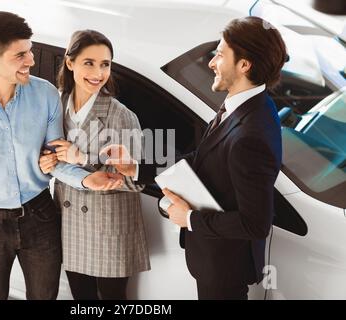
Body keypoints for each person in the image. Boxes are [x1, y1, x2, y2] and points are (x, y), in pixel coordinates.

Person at [0, 12, 123, 300]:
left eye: (30, 50)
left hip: (40, 215)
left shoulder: (45, 95)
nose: (31, 61)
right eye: (20, 55)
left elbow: (54, 159)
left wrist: (87, 180)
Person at [102, 16, 287, 300]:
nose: (212, 63)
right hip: (214, 260)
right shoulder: (249, 104)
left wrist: (189, 218)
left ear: (244, 65)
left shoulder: (251, 135)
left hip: (223, 268)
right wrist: (137, 167)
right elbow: (203, 158)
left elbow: (255, 223)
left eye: (221, 55)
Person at [39, 30, 150, 300]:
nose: (98, 73)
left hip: (108, 226)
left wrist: (84, 158)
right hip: (70, 223)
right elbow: (48, 158)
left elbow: (137, 180)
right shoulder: (56, 104)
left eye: (105, 64)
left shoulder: (120, 115)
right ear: (70, 63)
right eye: (89, 63)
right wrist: (48, 161)